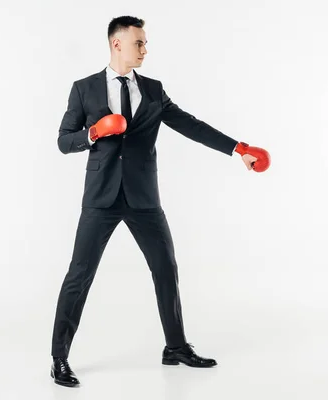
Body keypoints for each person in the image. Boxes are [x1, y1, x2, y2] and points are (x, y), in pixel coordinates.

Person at [51, 15, 270, 387]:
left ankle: (176, 347)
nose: (145, 50)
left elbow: (190, 124)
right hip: (101, 199)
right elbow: (63, 141)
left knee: (166, 269)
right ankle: (59, 358)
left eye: (145, 43)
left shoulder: (153, 90)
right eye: (139, 43)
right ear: (117, 43)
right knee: (79, 276)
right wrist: (93, 133)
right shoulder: (84, 88)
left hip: (143, 199)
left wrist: (238, 148)